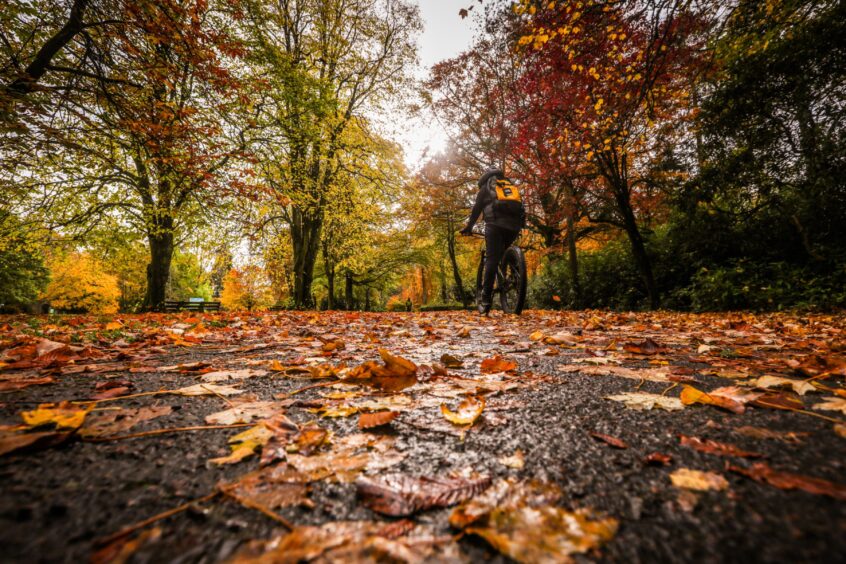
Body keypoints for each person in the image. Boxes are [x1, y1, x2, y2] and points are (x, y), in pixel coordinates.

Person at [460, 168, 525, 314]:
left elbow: (476, 210)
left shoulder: (485, 188)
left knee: (491, 259)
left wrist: (469, 228)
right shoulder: (509, 185)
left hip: (494, 224)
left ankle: (485, 299)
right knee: (505, 253)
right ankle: (514, 276)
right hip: (515, 226)